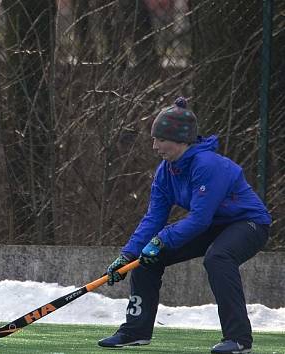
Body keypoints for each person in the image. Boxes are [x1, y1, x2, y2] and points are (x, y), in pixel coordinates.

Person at [98, 97, 271, 354]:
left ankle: (238, 340)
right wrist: (128, 254)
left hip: (248, 224)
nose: (154, 146)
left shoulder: (208, 166)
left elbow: (199, 219)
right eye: (154, 139)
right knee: (148, 260)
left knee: (218, 258)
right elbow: (153, 218)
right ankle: (135, 332)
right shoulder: (166, 171)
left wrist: (161, 240)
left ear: (181, 140)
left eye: (160, 140)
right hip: (211, 224)